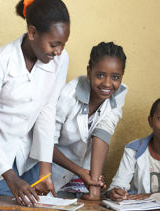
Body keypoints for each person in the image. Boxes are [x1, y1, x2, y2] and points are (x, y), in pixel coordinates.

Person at [0, 0, 70, 209]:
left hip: (25, 160)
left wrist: (45, 169)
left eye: (63, 44)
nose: (59, 51)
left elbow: (46, 112)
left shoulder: (60, 60)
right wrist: (10, 177)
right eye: (54, 44)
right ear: (33, 33)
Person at [52, 42, 128, 200]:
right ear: (89, 72)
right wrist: (80, 171)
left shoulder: (118, 94)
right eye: (100, 75)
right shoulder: (68, 95)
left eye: (115, 77)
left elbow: (103, 134)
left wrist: (94, 188)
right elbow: (45, 142)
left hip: (83, 174)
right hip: (52, 168)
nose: (107, 83)